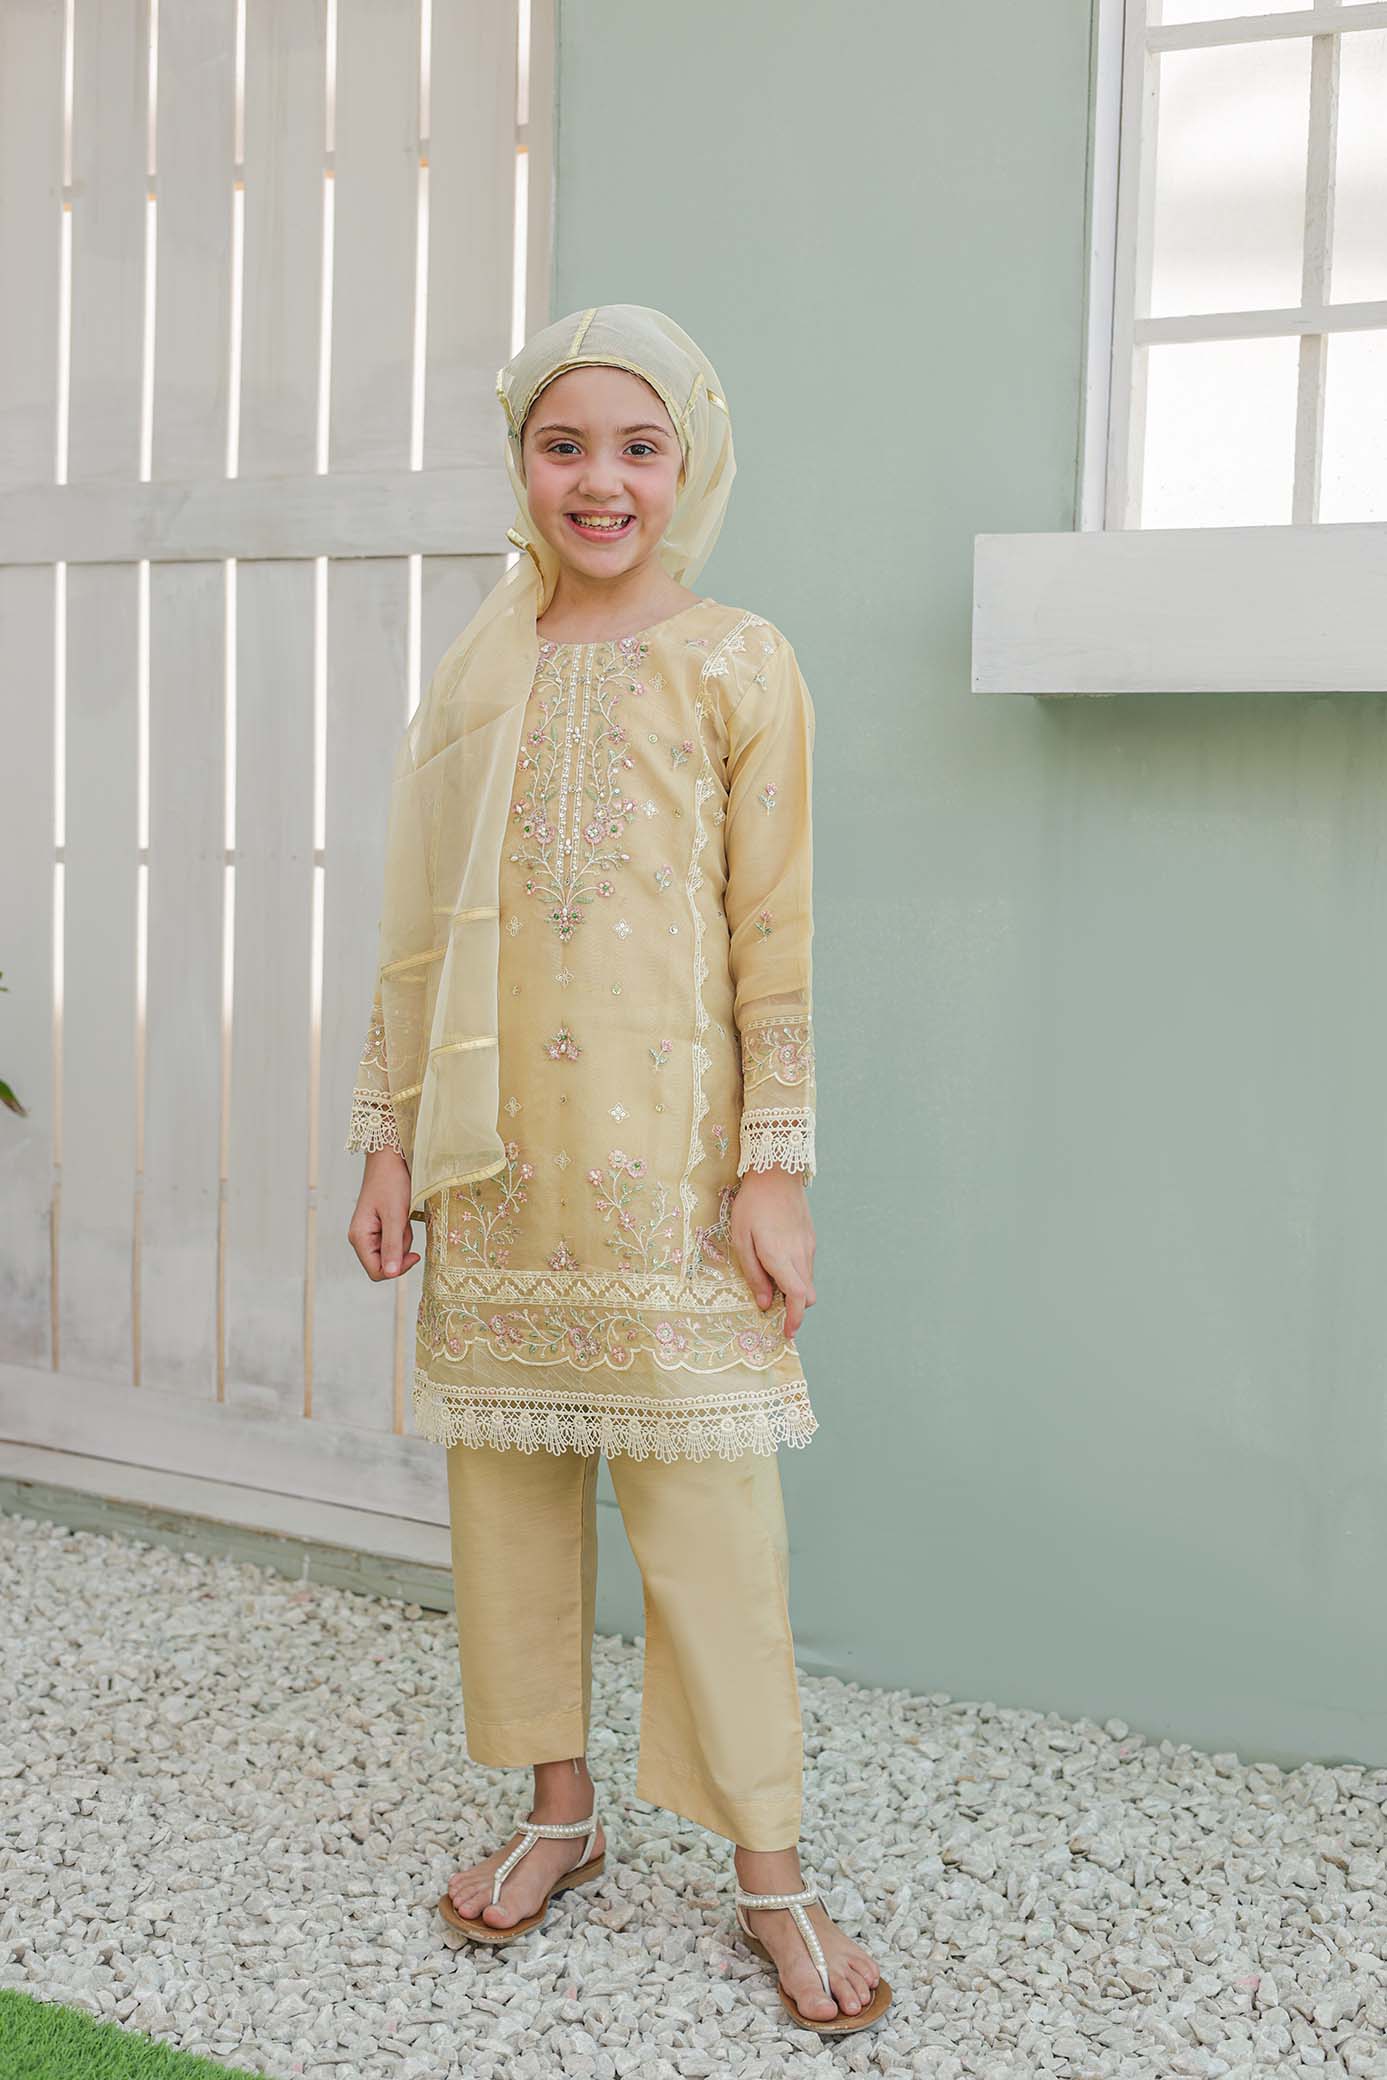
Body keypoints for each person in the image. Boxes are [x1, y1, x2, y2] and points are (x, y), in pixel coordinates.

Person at [345, 305, 890, 2035]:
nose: (601, 481)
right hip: (497, 1163)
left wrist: (774, 1170)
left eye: (638, 447)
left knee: (714, 1521)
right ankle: (558, 1816)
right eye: (563, 444)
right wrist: (387, 1139)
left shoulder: (737, 661)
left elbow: (775, 936)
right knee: (507, 1498)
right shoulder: (478, 671)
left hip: (676, 1178)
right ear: (521, 459)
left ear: (690, 463)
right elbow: (417, 935)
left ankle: (771, 1872)